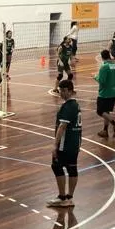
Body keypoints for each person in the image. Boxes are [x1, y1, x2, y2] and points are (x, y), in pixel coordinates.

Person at [47, 79, 81, 209]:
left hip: (65, 145)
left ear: (69, 90)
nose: (61, 93)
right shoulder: (76, 105)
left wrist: (55, 145)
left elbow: (62, 126)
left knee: (56, 166)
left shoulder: (68, 106)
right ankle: (69, 198)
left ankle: (63, 197)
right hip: (75, 143)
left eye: (62, 91)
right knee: (72, 168)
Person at [93, 49, 115, 138]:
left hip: (104, 93)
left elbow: (102, 81)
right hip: (113, 92)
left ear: (102, 57)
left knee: (100, 111)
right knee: (106, 111)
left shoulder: (104, 67)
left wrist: (95, 77)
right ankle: (105, 130)